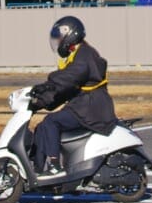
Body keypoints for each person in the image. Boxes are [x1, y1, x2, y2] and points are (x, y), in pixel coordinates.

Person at [30, 16, 117, 179]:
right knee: (42, 127)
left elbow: (71, 77)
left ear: (70, 34)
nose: (58, 41)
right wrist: (39, 102)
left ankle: (55, 167)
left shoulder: (85, 55)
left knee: (51, 122)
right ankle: (37, 169)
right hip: (83, 105)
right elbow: (66, 89)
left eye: (60, 37)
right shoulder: (77, 54)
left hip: (92, 108)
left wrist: (47, 85)